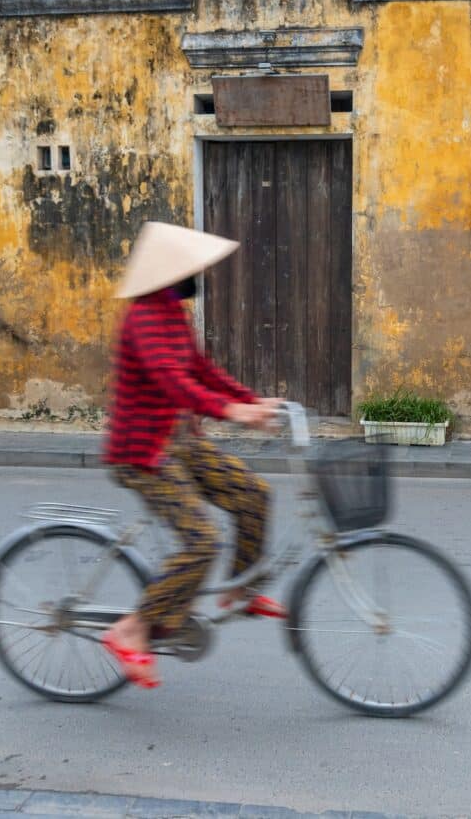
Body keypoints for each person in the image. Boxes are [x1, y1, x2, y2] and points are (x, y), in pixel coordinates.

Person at [100, 222, 286, 689]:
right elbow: (173, 382)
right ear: (169, 272)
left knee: (253, 494)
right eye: (189, 269)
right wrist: (233, 412)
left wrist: (252, 399)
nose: (196, 277)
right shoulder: (144, 317)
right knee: (202, 542)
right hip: (143, 452)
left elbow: (201, 370)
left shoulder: (172, 314)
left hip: (182, 443)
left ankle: (241, 590)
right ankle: (132, 627)